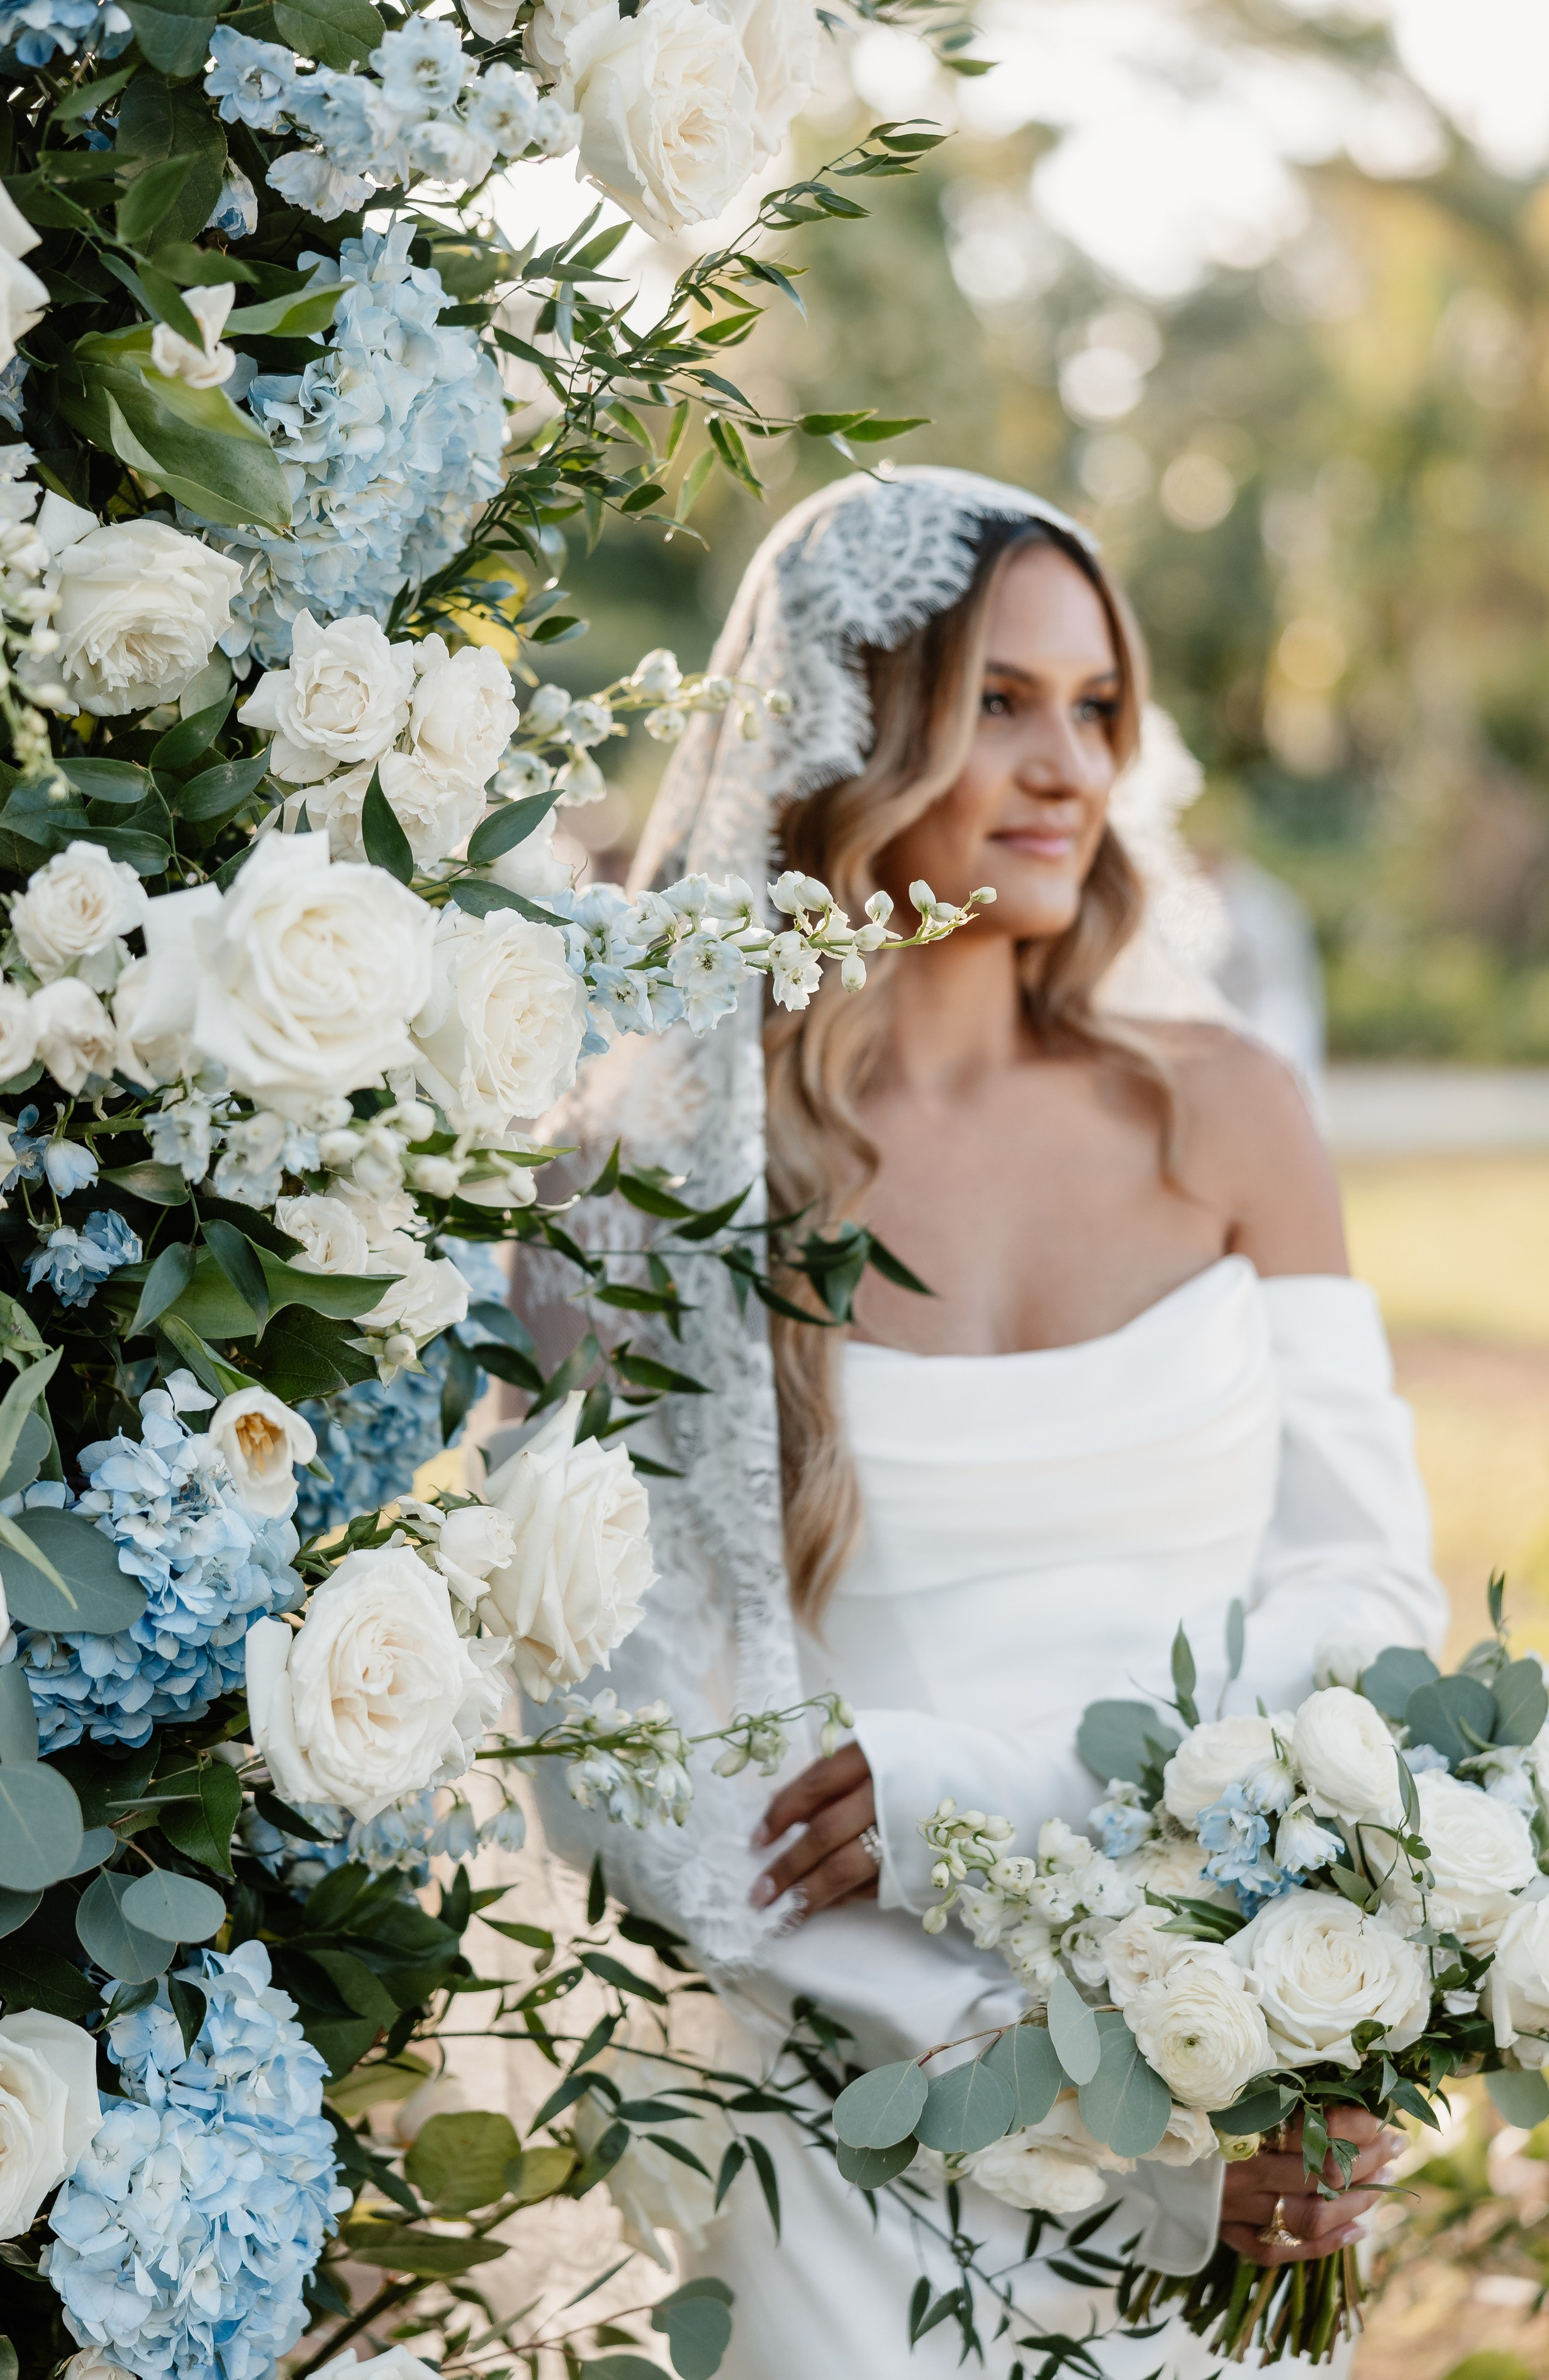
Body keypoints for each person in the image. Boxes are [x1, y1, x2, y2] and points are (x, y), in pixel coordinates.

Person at [521, 469, 1447, 2376]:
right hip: (862, 2160)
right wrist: (1085, 2110)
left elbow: (1362, 1592)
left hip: (1233, 2116)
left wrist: (1260, 2037)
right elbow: (640, 1773)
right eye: (997, 704)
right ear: (849, 728)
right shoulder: (660, 1179)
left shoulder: (1230, 1113)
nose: (1067, 769)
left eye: (1097, 707)